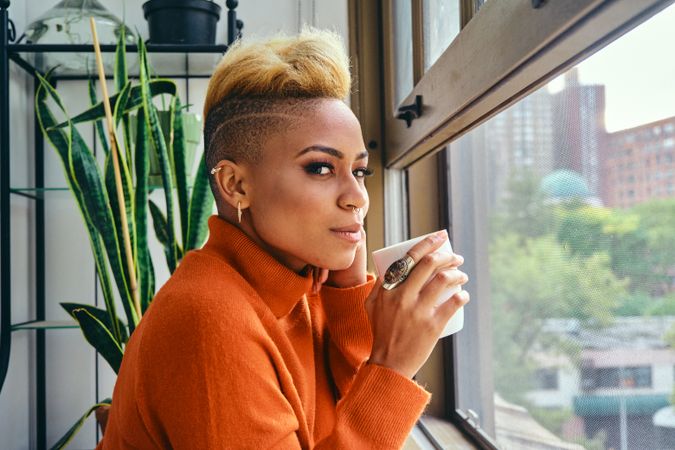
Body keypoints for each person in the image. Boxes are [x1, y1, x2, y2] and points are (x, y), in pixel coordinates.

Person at [98, 28, 469, 449]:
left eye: (359, 171)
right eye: (320, 168)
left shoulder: (300, 282)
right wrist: (394, 366)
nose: (358, 197)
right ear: (236, 185)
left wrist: (347, 293)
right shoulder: (210, 320)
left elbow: (337, 422)